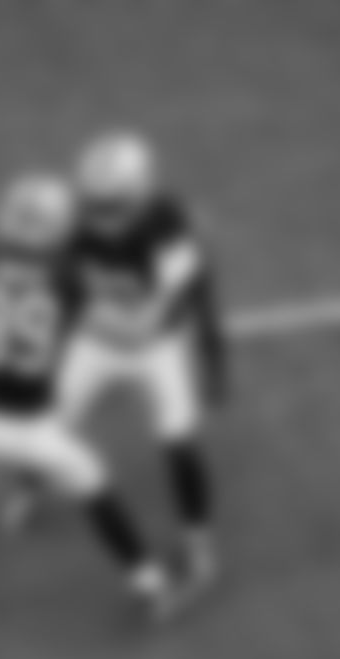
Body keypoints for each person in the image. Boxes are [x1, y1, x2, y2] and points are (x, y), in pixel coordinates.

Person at [0, 173, 176, 626]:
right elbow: (132, 336)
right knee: (93, 482)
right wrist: (170, 290)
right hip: (31, 426)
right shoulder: (68, 279)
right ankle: (149, 582)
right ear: (57, 225)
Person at [60, 130, 228, 592]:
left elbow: (195, 297)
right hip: (96, 340)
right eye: (97, 204)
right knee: (48, 420)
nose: (103, 217)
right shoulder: (72, 223)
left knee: (179, 438)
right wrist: (96, 324)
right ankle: (29, 480)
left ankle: (198, 537)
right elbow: (60, 288)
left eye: (113, 205)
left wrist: (213, 359)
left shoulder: (168, 223)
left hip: (156, 345)